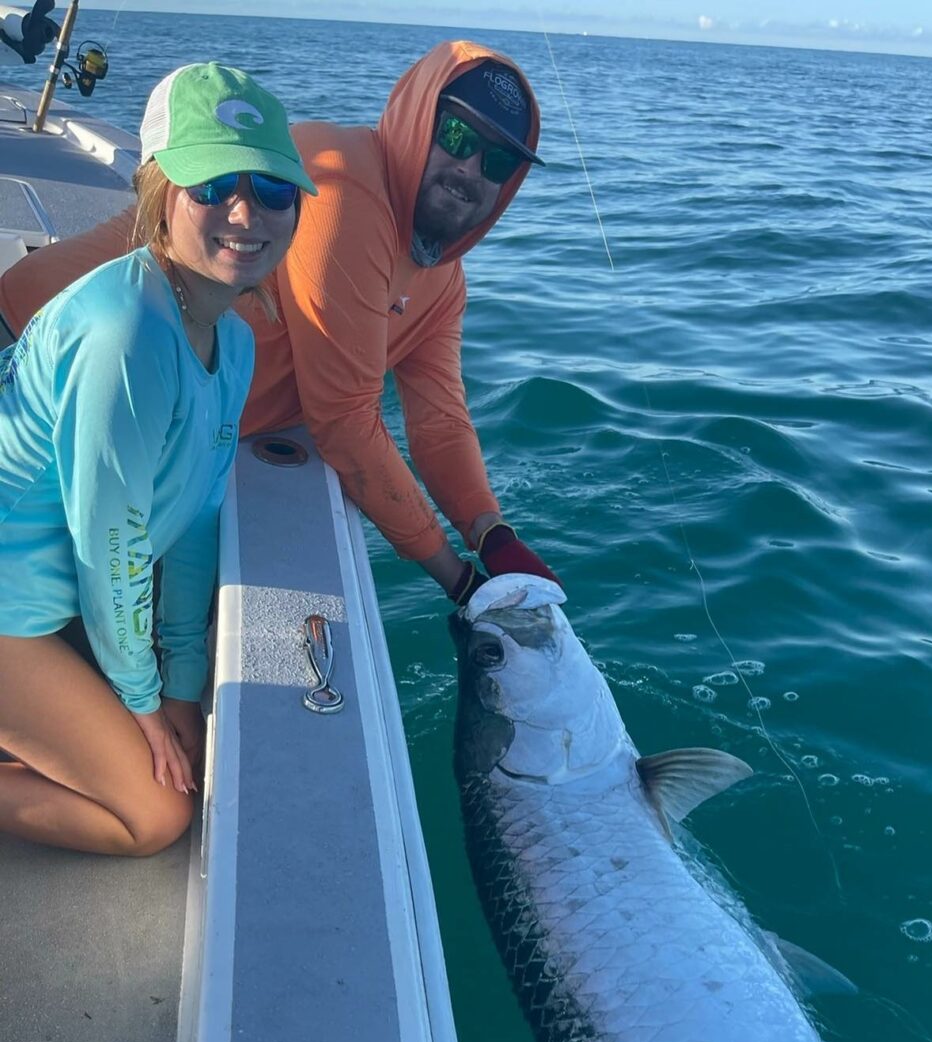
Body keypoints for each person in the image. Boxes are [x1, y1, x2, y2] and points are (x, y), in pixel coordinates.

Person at [0, 40, 558, 606]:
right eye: (457, 137)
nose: (469, 170)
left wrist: (492, 535)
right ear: (418, 120)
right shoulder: (343, 188)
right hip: (37, 371)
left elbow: (440, 420)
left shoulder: (443, 277)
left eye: (497, 161)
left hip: (155, 432)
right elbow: (344, 419)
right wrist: (462, 585)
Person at [0, 63, 317, 855]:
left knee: (193, 744)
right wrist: (145, 705)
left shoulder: (235, 340)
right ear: (158, 191)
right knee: (157, 817)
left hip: (54, 601)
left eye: (271, 188)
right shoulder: (124, 333)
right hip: (17, 611)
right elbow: (110, 547)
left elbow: (192, 523)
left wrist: (180, 684)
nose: (244, 211)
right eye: (211, 184)